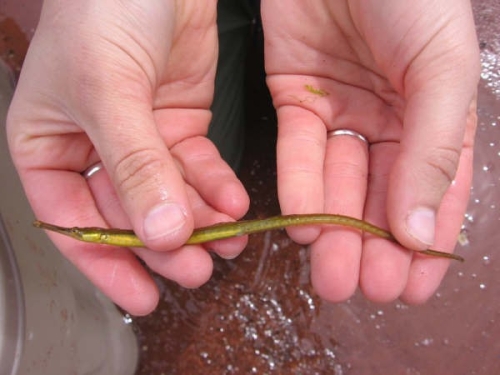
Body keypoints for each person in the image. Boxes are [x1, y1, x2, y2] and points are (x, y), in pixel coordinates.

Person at [6, 0, 479, 316]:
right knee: (207, 161)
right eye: (77, 234)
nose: (75, 234)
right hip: (181, 23)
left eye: (77, 233)